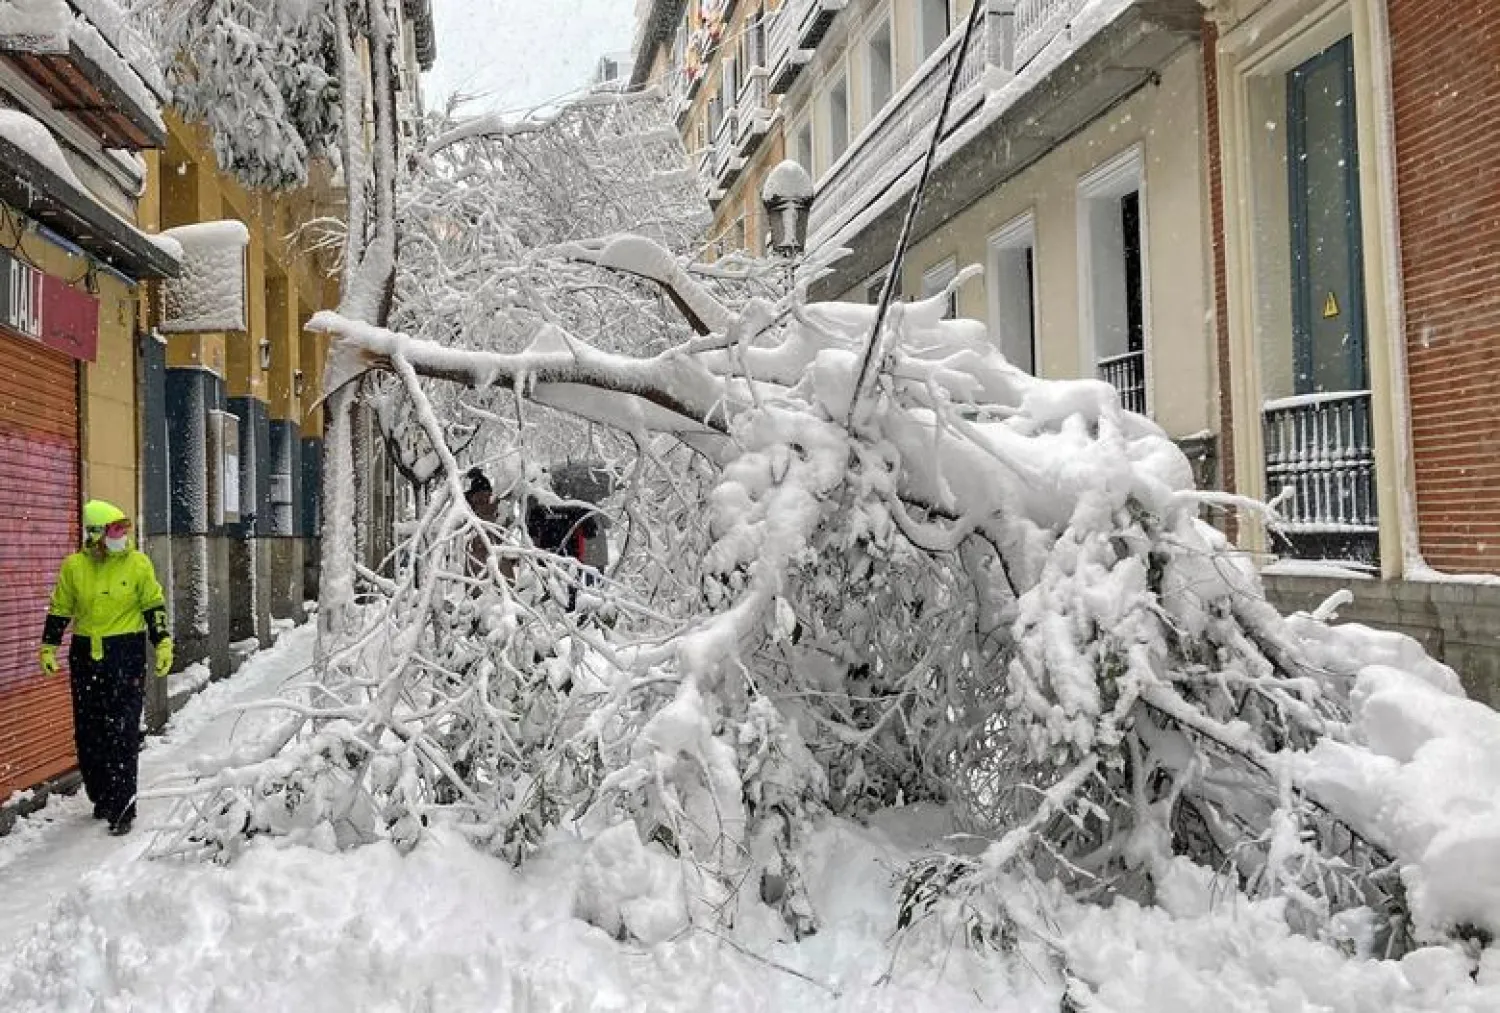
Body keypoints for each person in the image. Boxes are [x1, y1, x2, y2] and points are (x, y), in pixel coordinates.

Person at [37, 500, 173, 836]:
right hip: (85, 657)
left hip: (125, 654)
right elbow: (61, 607)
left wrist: (163, 642)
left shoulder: (138, 564)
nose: (122, 536)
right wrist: (49, 645)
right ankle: (101, 794)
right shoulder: (74, 567)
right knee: (89, 735)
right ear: (96, 534)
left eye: (124, 528)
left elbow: (153, 604)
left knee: (123, 731)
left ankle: (124, 806)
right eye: (114, 529)